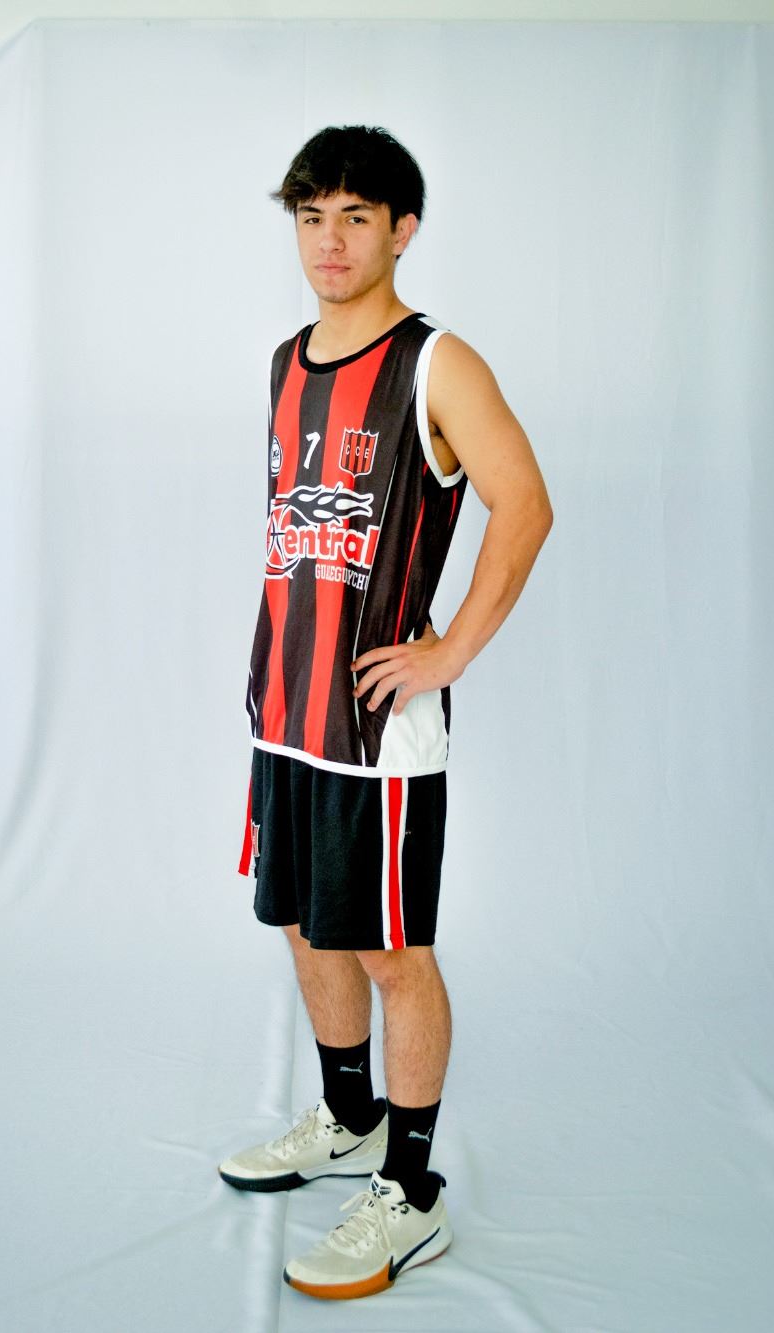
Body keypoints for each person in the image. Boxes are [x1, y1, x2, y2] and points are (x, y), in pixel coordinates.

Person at [219, 124, 553, 1301]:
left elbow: (525, 503)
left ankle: (411, 1191)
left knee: (390, 951)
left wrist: (449, 649)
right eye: (311, 216)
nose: (329, 240)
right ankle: (349, 1118)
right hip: (285, 710)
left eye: (355, 217)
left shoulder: (437, 362)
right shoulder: (285, 360)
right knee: (304, 926)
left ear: (403, 230)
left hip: (377, 733)